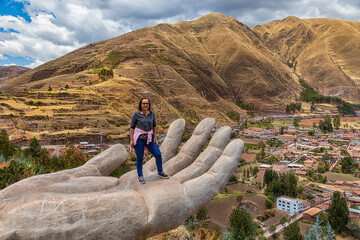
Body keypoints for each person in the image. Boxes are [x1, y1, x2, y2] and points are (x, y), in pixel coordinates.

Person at [130, 98, 169, 183]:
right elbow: (132, 128)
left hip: (149, 138)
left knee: (158, 154)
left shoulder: (152, 114)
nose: (145, 105)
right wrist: (132, 140)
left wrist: (155, 137)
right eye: (143, 103)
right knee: (140, 158)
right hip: (139, 139)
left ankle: (160, 171)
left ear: (149, 104)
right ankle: (140, 176)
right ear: (141, 105)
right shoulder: (136, 114)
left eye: (147, 103)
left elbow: (154, 126)